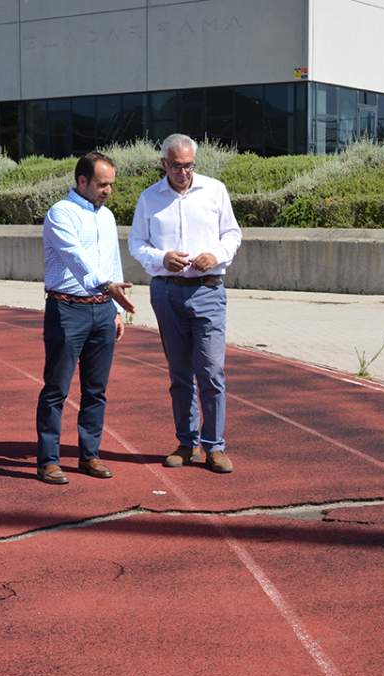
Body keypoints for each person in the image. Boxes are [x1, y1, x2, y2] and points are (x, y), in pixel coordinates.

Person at [129, 133, 242, 473]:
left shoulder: (214, 190)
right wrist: (162, 258)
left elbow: (232, 234)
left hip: (207, 289)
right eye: (177, 166)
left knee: (210, 370)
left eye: (189, 166)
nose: (184, 173)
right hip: (167, 291)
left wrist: (216, 255)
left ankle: (215, 446)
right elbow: (136, 242)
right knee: (179, 373)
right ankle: (186, 442)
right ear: (164, 164)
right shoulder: (149, 198)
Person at [35, 151, 135, 485]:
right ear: (82, 181)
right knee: (56, 388)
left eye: (111, 185)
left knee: (96, 389)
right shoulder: (60, 213)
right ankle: (48, 460)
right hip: (67, 309)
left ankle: (89, 455)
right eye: (102, 184)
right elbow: (75, 258)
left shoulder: (106, 217)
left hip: (103, 310)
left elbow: (112, 261)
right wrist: (106, 285)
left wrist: (117, 309)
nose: (108, 190)